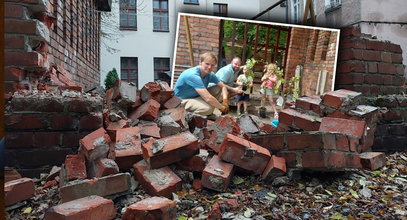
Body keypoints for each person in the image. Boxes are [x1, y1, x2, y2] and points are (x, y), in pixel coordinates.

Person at [174, 52, 241, 116]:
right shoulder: (193, 75)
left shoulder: (210, 74)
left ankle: (206, 108)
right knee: (208, 109)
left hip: (196, 96)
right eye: (207, 64)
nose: (209, 67)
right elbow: (208, 98)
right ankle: (188, 115)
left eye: (212, 65)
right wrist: (222, 108)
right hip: (181, 100)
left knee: (219, 88)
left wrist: (225, 101)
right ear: (200, 62)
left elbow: (223, 86)